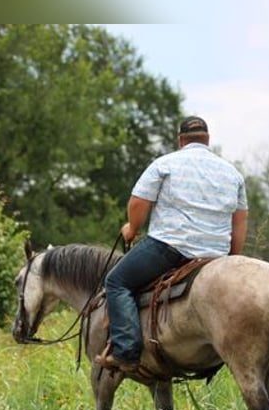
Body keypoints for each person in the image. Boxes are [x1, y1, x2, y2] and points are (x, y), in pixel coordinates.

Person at [96, 115, 248, 372]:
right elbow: (240, 223)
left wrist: (131, 229)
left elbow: (138, 203)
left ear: (181, 140)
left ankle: (126, 352)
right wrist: (230, 259)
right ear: (207, 140)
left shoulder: (165, 164)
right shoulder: (232, 173)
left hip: (170, 248)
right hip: (215, 256)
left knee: (117, 281)